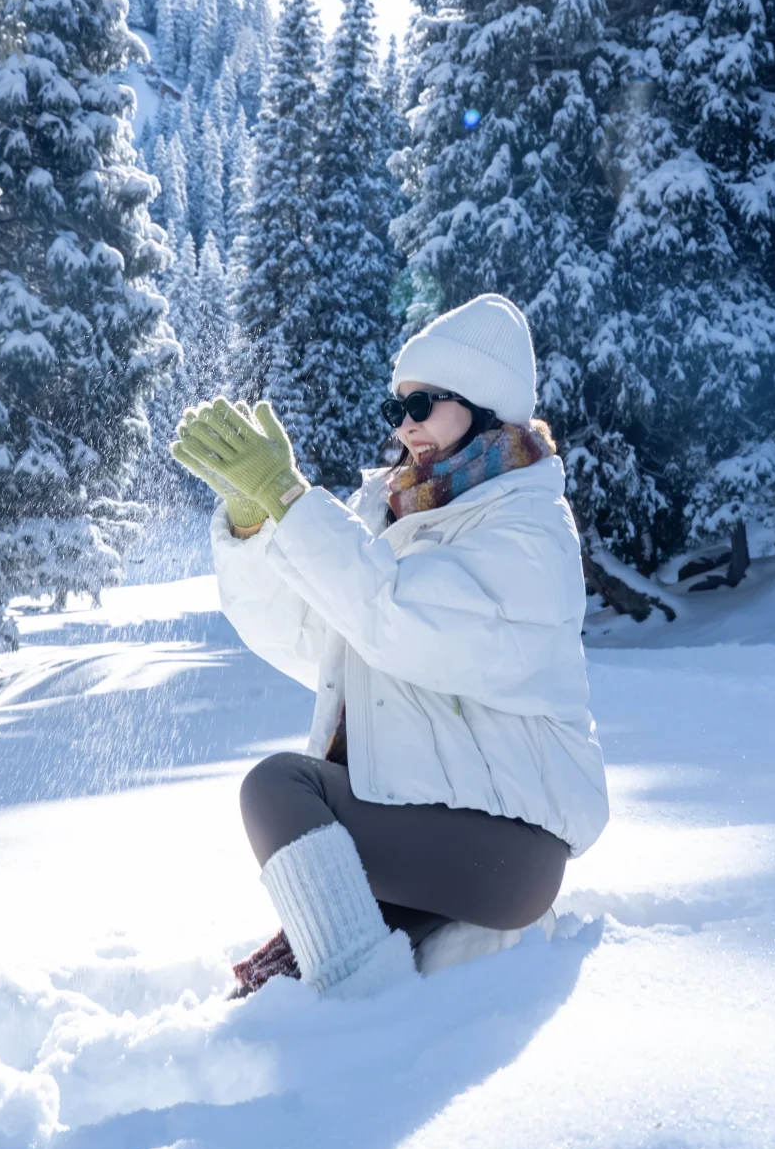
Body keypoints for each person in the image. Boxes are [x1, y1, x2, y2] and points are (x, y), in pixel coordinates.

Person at [171, 293, 609, 1000]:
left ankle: (358, 1007)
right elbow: (317, 635)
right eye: (396, 408)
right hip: (427, 825)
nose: (406, 428)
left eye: (424, 404)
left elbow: (399, 619)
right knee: (279, 981)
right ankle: (336, 993)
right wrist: (259, 529)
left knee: (280, 790)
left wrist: (291, 500)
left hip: (509, 847)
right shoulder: (396, 513)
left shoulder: (527, 529)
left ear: (486, 405)